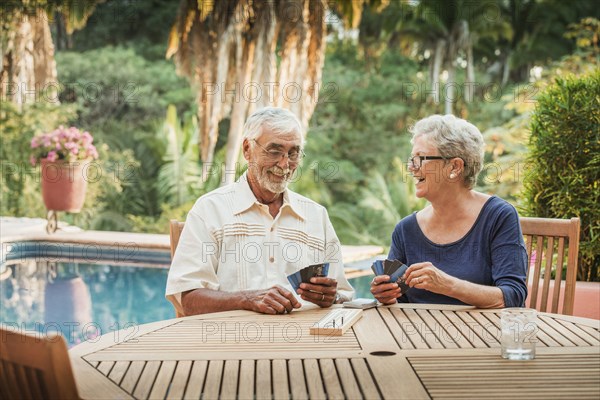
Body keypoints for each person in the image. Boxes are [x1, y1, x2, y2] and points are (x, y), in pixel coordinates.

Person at [166, 107, 354, 316]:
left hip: (303, 344)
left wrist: (331, 297)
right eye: (274, 151)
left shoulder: (316, 216)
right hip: (232, 344)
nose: (285, 164)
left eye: (293, 153)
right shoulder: (210, 211)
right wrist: (247, 299)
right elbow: (189, 301)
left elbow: (344, 296)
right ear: (247, 149)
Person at [371, 114, 527, 308]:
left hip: (482, 335)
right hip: (417, 334)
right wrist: (387, 295)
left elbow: (513, 296)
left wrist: (447, 285)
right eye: (411, 159)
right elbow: (400, 301)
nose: (411, 167)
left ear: (454, 166)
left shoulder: (498, 216)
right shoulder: (406, 230)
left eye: (420, 158)